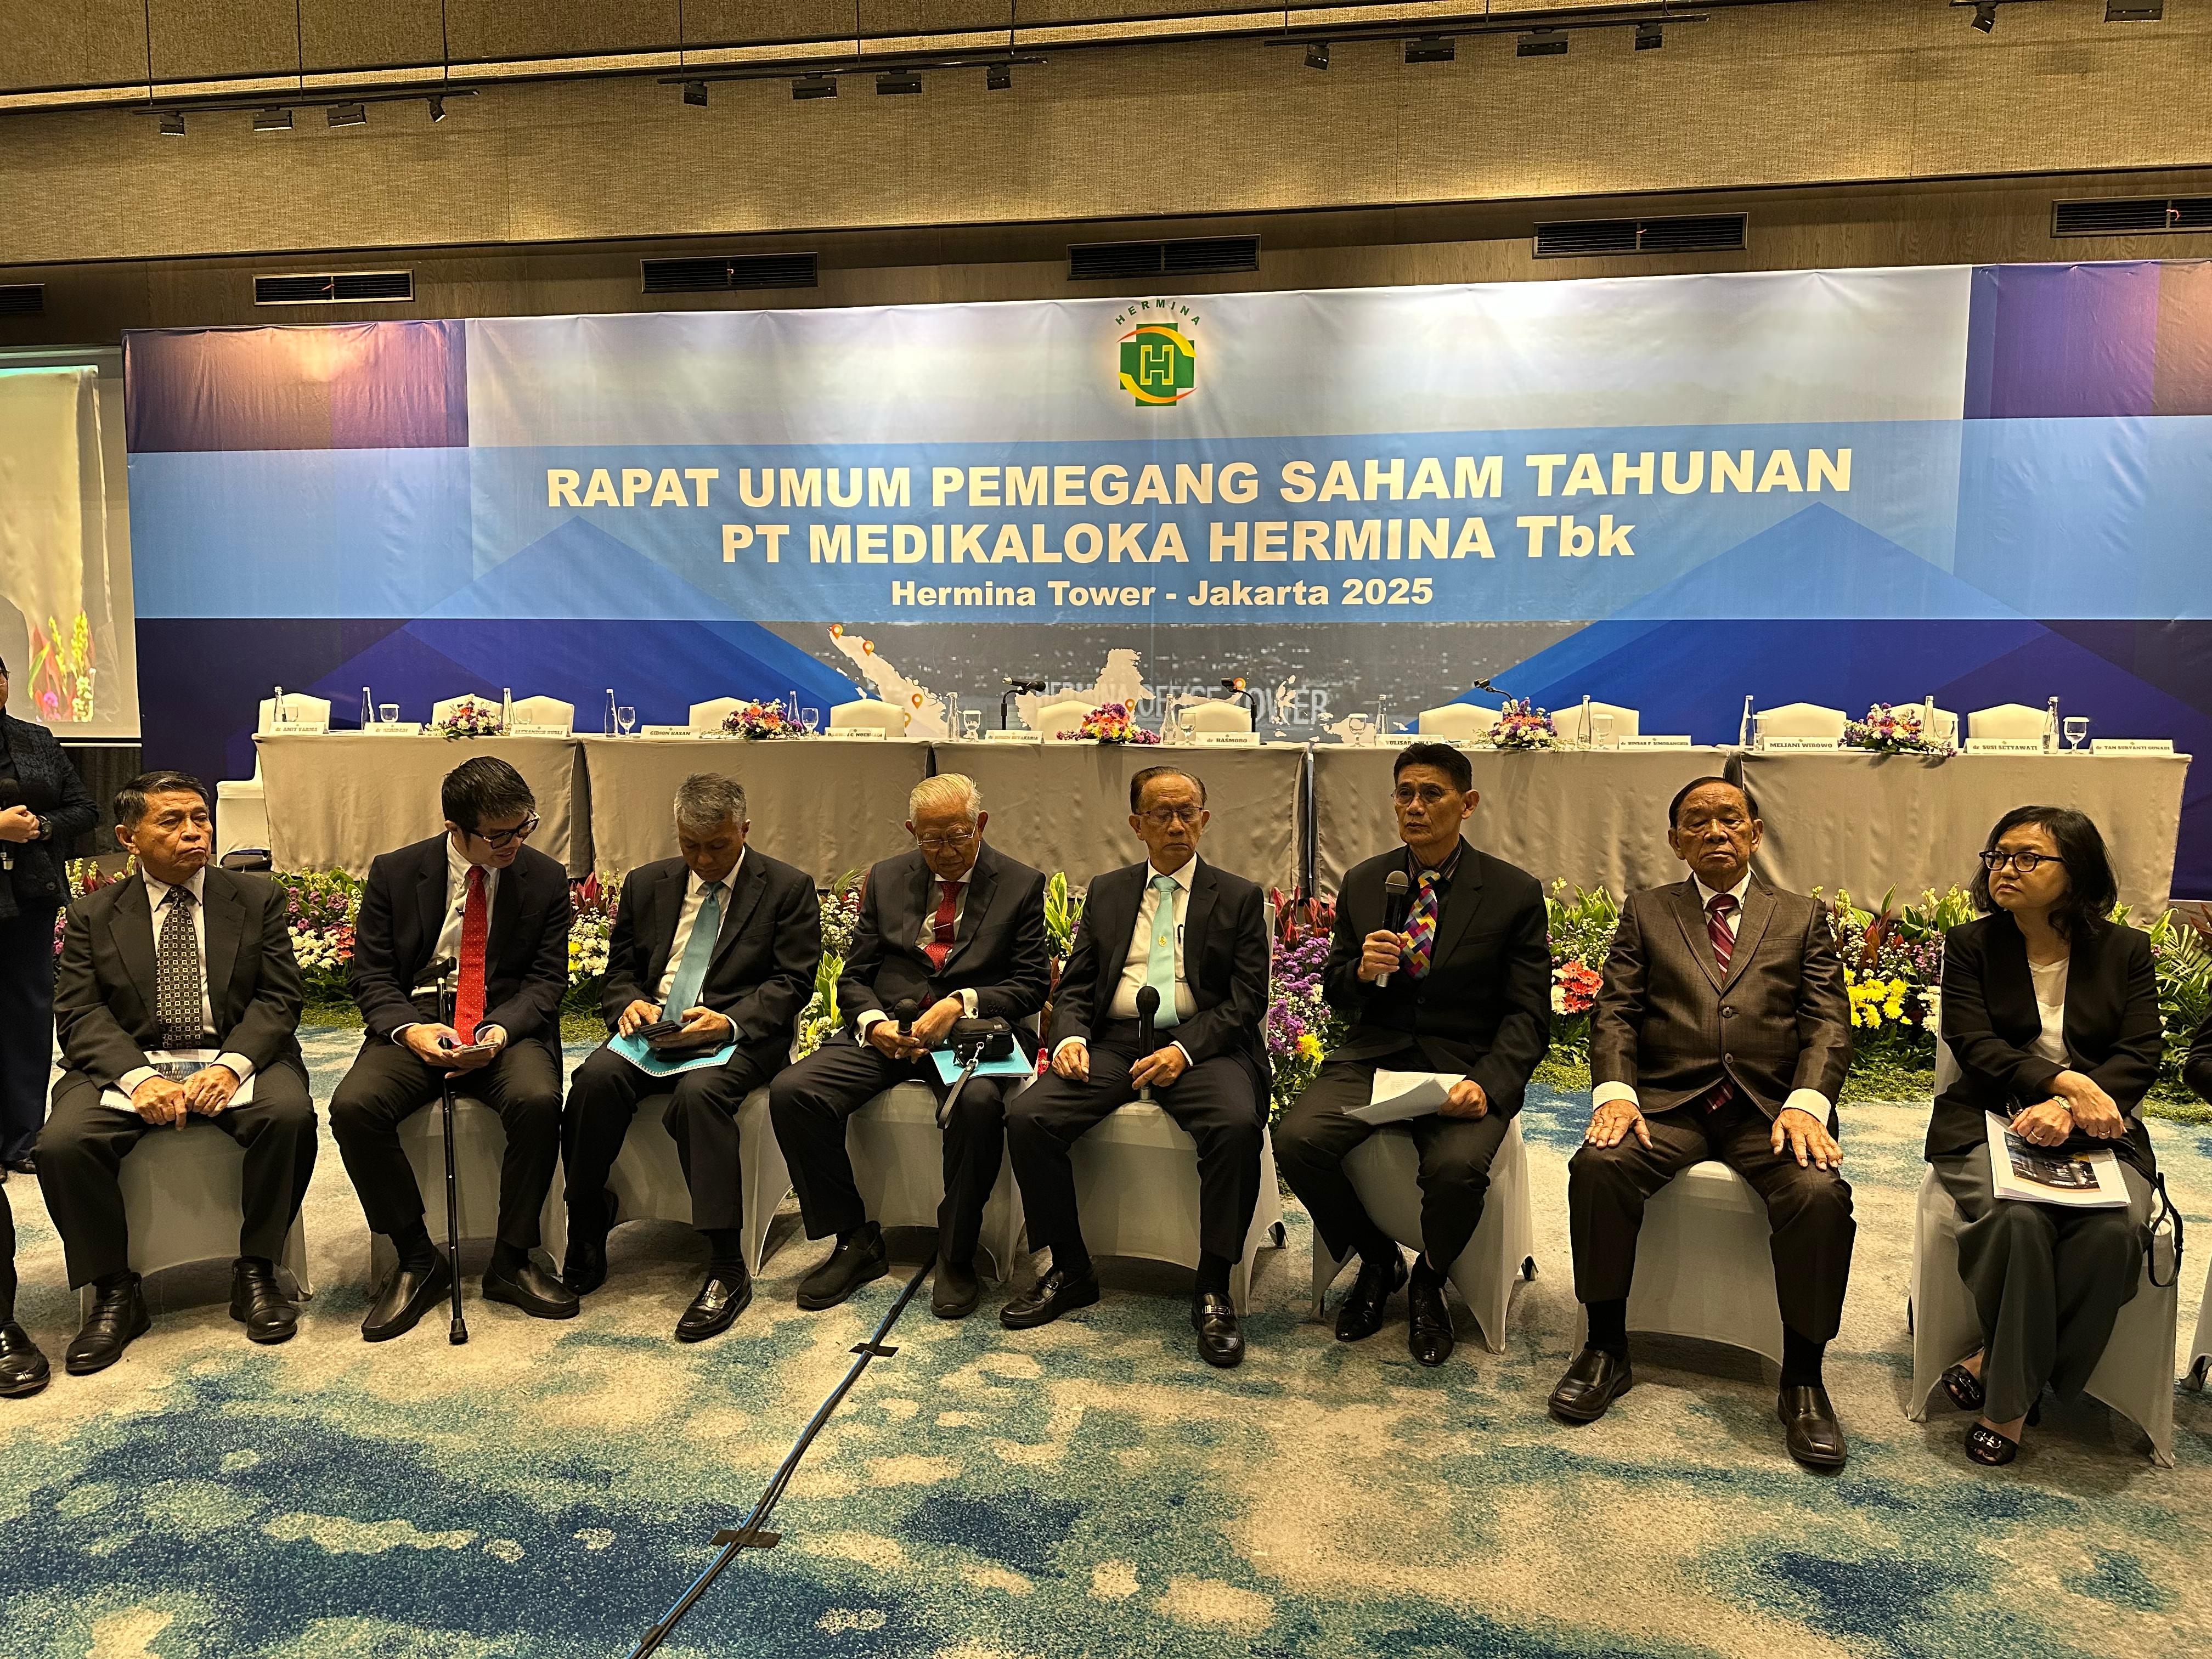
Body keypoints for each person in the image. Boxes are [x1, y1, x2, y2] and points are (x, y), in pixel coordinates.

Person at [1549, 777, 1855, 1470]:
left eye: (1730, 819)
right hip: (1670, 1105)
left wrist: (1807, 1103)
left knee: (1818, 1195)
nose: (1715, 831)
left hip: (1769, 1110)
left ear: (1755, 833)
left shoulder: (1801, 916)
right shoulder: (1648, 911)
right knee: (1599, 1167)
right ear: (1675, 841)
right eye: (1697, 821)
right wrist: (1616, 1093)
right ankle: (1606, 1347)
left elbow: (1828, 1023)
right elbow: (1616, 1011)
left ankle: (1803, 1379)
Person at [1274, 742, 1550, 1367]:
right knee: (1296, 1140)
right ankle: (1378, 1259)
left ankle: (1431, 1276)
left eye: (1432, 794)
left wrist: (1489, 1084)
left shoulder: (1511, 891)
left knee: (1456, 1170)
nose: (1415, 807)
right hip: (1376, 1055)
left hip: (1465, 1063)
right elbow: (1337, 991)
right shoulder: (1367, 881)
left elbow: (1527, 1015)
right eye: (1405, 794)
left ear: (1467, 803)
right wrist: (1360, 971)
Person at [36, 771, 317, 1375]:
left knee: (288, 1115)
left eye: (201, 818)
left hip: (232, 1054)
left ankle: (257, 1269)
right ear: (128, 837)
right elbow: (80, 1013)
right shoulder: (93, 913)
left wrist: (233, 1066)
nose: (194, 832)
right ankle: (115, 1290)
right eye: (171, 821)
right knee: (63, 1143)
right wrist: (139, 1079)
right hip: (133, 1061)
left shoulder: (256, 898)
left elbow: (279, 999)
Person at [1001, 765, 1271, 1367]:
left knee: (1234, 1126)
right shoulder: (1109, 891)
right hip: (1117, 1041)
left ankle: (1213, 1286)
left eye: (1187, 812)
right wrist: (1070, 1037)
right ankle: (1071, 1269)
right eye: (1161, 814)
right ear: (1136, 824)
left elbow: (1246, 1001)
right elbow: (1076, 986)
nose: (1176, 825)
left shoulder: (1239, 896)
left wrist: (1184, 1050)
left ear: (1204, 819)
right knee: (1029, 1118)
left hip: (1203, 1044)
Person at [1929, 806, 2163, 1466]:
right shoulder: (1972, 945)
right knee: (2019, 1220)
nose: (2006, 869)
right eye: (1998, 856)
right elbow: (1973, 1043)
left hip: (2099, 1131)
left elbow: (2140, 1052)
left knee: (2113, 1233)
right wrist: (2062, 1084)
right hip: (1988, 1119)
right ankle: (2010, 1406)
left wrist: (2073, 1105)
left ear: (2076, 871)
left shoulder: (2124, 951)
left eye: (2028, 857)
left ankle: (1994, 1361)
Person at [771, 774, 1048, 1319]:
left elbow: (1032, 983)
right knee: (794, 1091)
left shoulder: (1019, 883)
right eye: (932, 840)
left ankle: (956, 1251)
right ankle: (854, 1240)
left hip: (967, 1035)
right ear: (911, 832)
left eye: (958, 836)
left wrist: (962, 1003)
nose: (946, 851)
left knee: (977, 1105)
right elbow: (855, 976)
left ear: (980, 825)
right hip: (890, 1031)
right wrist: (873, 1023)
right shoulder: (887, 878)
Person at [561, 774, 820, 1340]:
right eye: (690, 846)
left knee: (699, 1097)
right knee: (594, 1082)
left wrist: (728, 1021)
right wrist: (628, 1004)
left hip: (737, 1035)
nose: (703, 860)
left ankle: (726, 1265)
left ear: (744, 830)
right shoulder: (647, 883)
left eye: (717, 846)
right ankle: (587, 1217)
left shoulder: (787, 887)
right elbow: (620, 971)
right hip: (656, 1028)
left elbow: (792, 983)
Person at [331, 755, 577, 1341]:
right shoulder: (396, 872)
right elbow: (371, 975)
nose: (514, 843)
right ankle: (418, 1257)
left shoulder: (544, 877)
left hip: (502, 1023)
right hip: (419, 1020)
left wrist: (502, 1029)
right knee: (353, 1109)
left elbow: (547, 981)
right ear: (454, 829)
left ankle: (512, 1258)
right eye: (498, 835)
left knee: (538, 1101)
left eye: (524, 827)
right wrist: (409, 1030)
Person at [0, 656, 99, 1177]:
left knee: (28, 1016)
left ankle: (22, 1138)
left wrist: (38, 827)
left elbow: (85, 809)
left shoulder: (36, 738)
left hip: (29, 895)